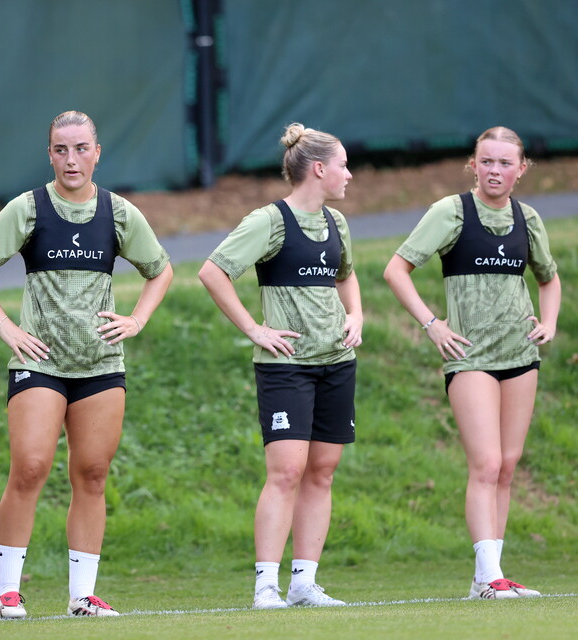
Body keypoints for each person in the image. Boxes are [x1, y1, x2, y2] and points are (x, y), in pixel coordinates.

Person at [0, 110, 173, 619]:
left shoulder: (118, 212)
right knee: (30, 467)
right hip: (41, 363)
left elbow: (160, 270)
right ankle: (8, 591)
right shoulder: (28, 208)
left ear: (97, 153)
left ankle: (83, 597)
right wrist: (5, 327)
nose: (71, 159)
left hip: (100, 363)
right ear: (49, 154)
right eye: (60, 149)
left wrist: (137, 320)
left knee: (93, 473)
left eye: (81, 148)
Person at [383, 126, 560, 600]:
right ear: (473, 164)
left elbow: (549, 278)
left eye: (505, 163)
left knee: (506, 464)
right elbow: (396, 269)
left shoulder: (529, 218)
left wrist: (550, 322)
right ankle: (489, 578)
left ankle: (489, 575)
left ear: (522, 169)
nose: (495, 171)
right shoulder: (451, 212)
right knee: (484, 463)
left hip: (520, 355)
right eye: (486, 161)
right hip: (470, 357)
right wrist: (432, 324)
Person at [198, 123, 362, 609]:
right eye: (343, 165)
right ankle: (265, 586)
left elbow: (346, 276)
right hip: (285, 367)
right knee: (286, 471)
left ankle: (304, 584)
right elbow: (213, 272)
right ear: (318, 169)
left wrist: (356, 314)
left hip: (337, 363)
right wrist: (255, 329)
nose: (349, 174)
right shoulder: (270, 221)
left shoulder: (338, 224)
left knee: (323, 471)